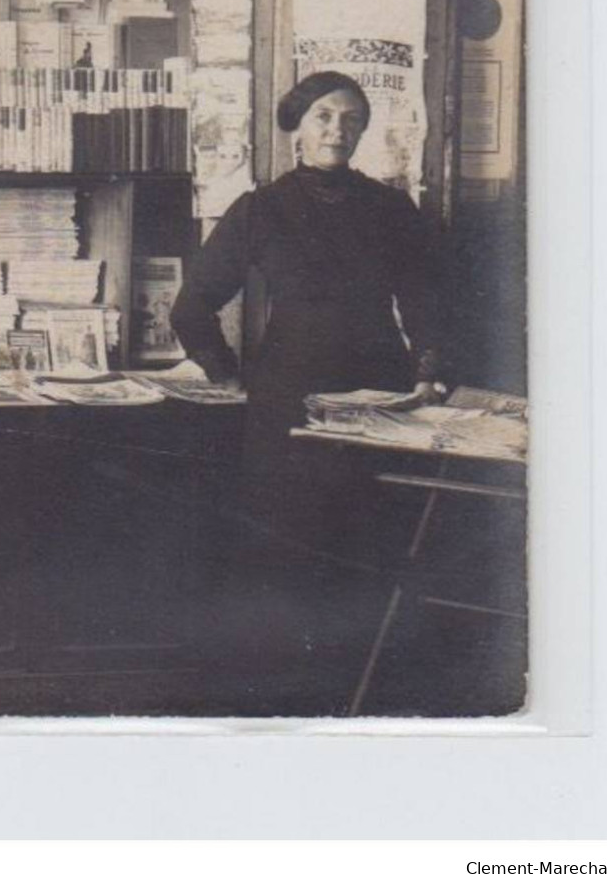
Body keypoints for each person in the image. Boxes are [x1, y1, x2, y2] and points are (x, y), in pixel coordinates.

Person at [168, 70, 447, 712]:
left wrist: (428, 368)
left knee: (370, 543)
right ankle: (276, 693)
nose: (338, 131)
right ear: (297, 123)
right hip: (287, 400)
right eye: (324, 116)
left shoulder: (391, 209)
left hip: (382, 397)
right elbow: (192, 307)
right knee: (283, 545)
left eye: (351, 119)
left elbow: (427, 297)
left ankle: (360, 691)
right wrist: (226, 371)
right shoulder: (260, 209)